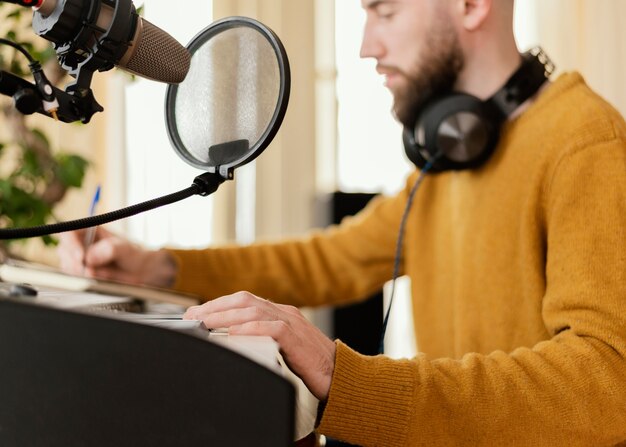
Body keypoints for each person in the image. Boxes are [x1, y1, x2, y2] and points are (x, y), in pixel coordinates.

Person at [58, 0, 626, 445]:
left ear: (472, 4)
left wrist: (347, 378)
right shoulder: (443, 165)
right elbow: (324, 261)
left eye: (385, 10)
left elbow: (606, 384)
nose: (364, 46)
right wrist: (160, 266)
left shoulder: (584, 142)